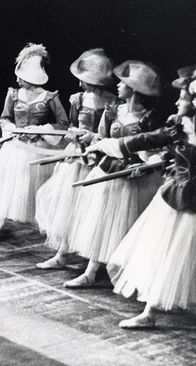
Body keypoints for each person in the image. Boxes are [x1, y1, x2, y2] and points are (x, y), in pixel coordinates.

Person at [86, 67, 196, 337]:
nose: (177, 102)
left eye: (183, 98)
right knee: (163, 257)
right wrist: (104, 145)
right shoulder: (177, 128)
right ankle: (149, 313)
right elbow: (143, 139)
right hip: (173, 202)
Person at [63, 60, 165, 287]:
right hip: (110, 169)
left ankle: (132, 273)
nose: (118, 86)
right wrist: (93, 146)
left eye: (123, 83)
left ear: (136, 90)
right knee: (102, 221)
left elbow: (155, 149)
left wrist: (145, 163)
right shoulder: (113, 111)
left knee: (132, 226)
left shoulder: (150, 117)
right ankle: (90, 272)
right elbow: (101, 137)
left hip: (137, 176)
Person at [0, 43, 70, 255]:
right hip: (15, 150)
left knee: (42, 195)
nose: (17, 78)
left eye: (22, 74)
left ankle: (58, 244)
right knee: (5, 195)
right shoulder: (13, 94)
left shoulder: (49, 98)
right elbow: (4, 118)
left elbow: (63, 123)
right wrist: (11, 129)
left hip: (37, 151)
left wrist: (42, 128)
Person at [34, 48, 117, 269]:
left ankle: (92, 264)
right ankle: (62, 253)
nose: (80, 84)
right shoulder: (78, 99)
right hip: (78, 156)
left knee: (93, 212)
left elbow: (113, 135)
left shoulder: (114, 104)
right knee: (68, 206)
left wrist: (94, 139)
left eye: (85, 80)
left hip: (99, 159)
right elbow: (73, 125)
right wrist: (74, 133)